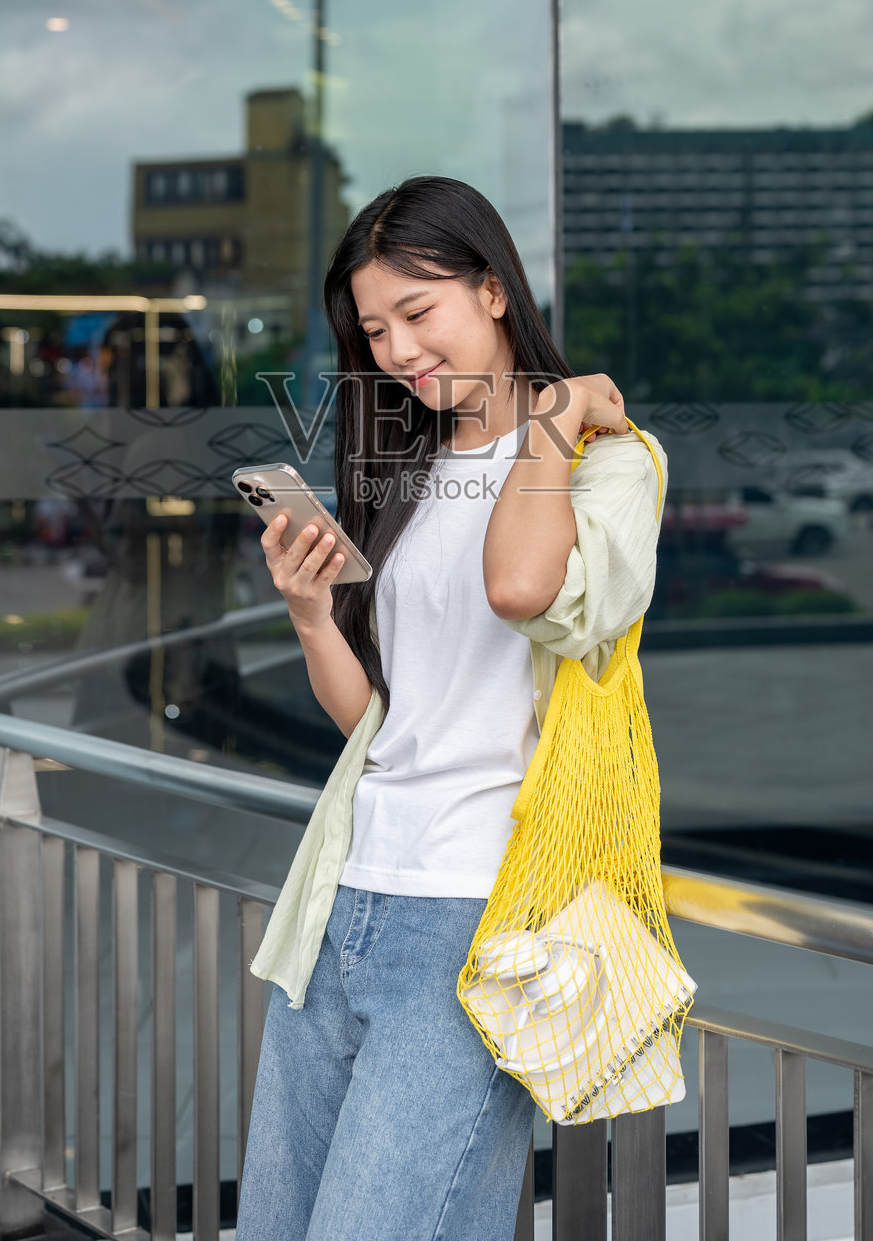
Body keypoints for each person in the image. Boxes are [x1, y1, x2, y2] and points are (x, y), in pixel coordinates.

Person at [235, 176, 667, 1241]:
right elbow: (379, 724)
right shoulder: (414, 469)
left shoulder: (613, 466)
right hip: (346, 897)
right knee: (277, 1226)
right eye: (375, 329)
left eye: (417, 315)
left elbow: (521, 588)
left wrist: (558, 410)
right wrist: (309, 614)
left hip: (478, 922)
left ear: (493, 290)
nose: (396, 351)